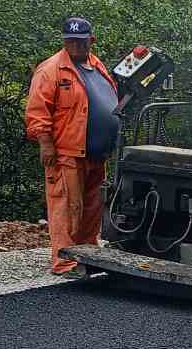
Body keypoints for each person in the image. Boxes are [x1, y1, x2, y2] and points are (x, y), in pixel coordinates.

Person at [25, 17, 121, 274]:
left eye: (80, 41)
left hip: (96, 153)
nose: (76, 46)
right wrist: (45, 144)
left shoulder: (96, 65)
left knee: (92, 206)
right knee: (66, 206)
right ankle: (65, 259)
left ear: (91, 40)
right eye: (70, 41)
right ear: (64, 41)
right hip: (67, 152)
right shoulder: (51, 70)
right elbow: (37, 112)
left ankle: (87, 252)